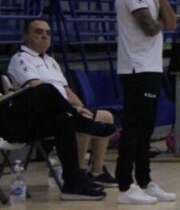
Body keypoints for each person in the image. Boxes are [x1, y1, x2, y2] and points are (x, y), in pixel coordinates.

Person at [8, 18, 117, 189]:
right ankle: (80, 172)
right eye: (38, 32)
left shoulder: (51, 61)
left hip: (65, 110)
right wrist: (74, 111)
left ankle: (97, 172)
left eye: (48, 33)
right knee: (71, 117)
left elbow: (67, 90)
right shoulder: (21, 58)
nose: (45, 36)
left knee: (106, 116)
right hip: (39, 115)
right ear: (26, 36)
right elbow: (38, 90)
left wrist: (81, 108)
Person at [114, 0, 178, 205]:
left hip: (151, 66)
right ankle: (125, 185)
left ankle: (144, 180)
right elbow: (150, 29)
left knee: (146, 128)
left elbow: (171, 24)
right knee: (134, 127)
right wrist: (162, 1)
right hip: (136, 67)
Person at [0, 83, 112, 200]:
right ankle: (85, 124)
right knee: (46, 89)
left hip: (13, 120)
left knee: (64, 120)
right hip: (4, 127)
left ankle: (72, 185)